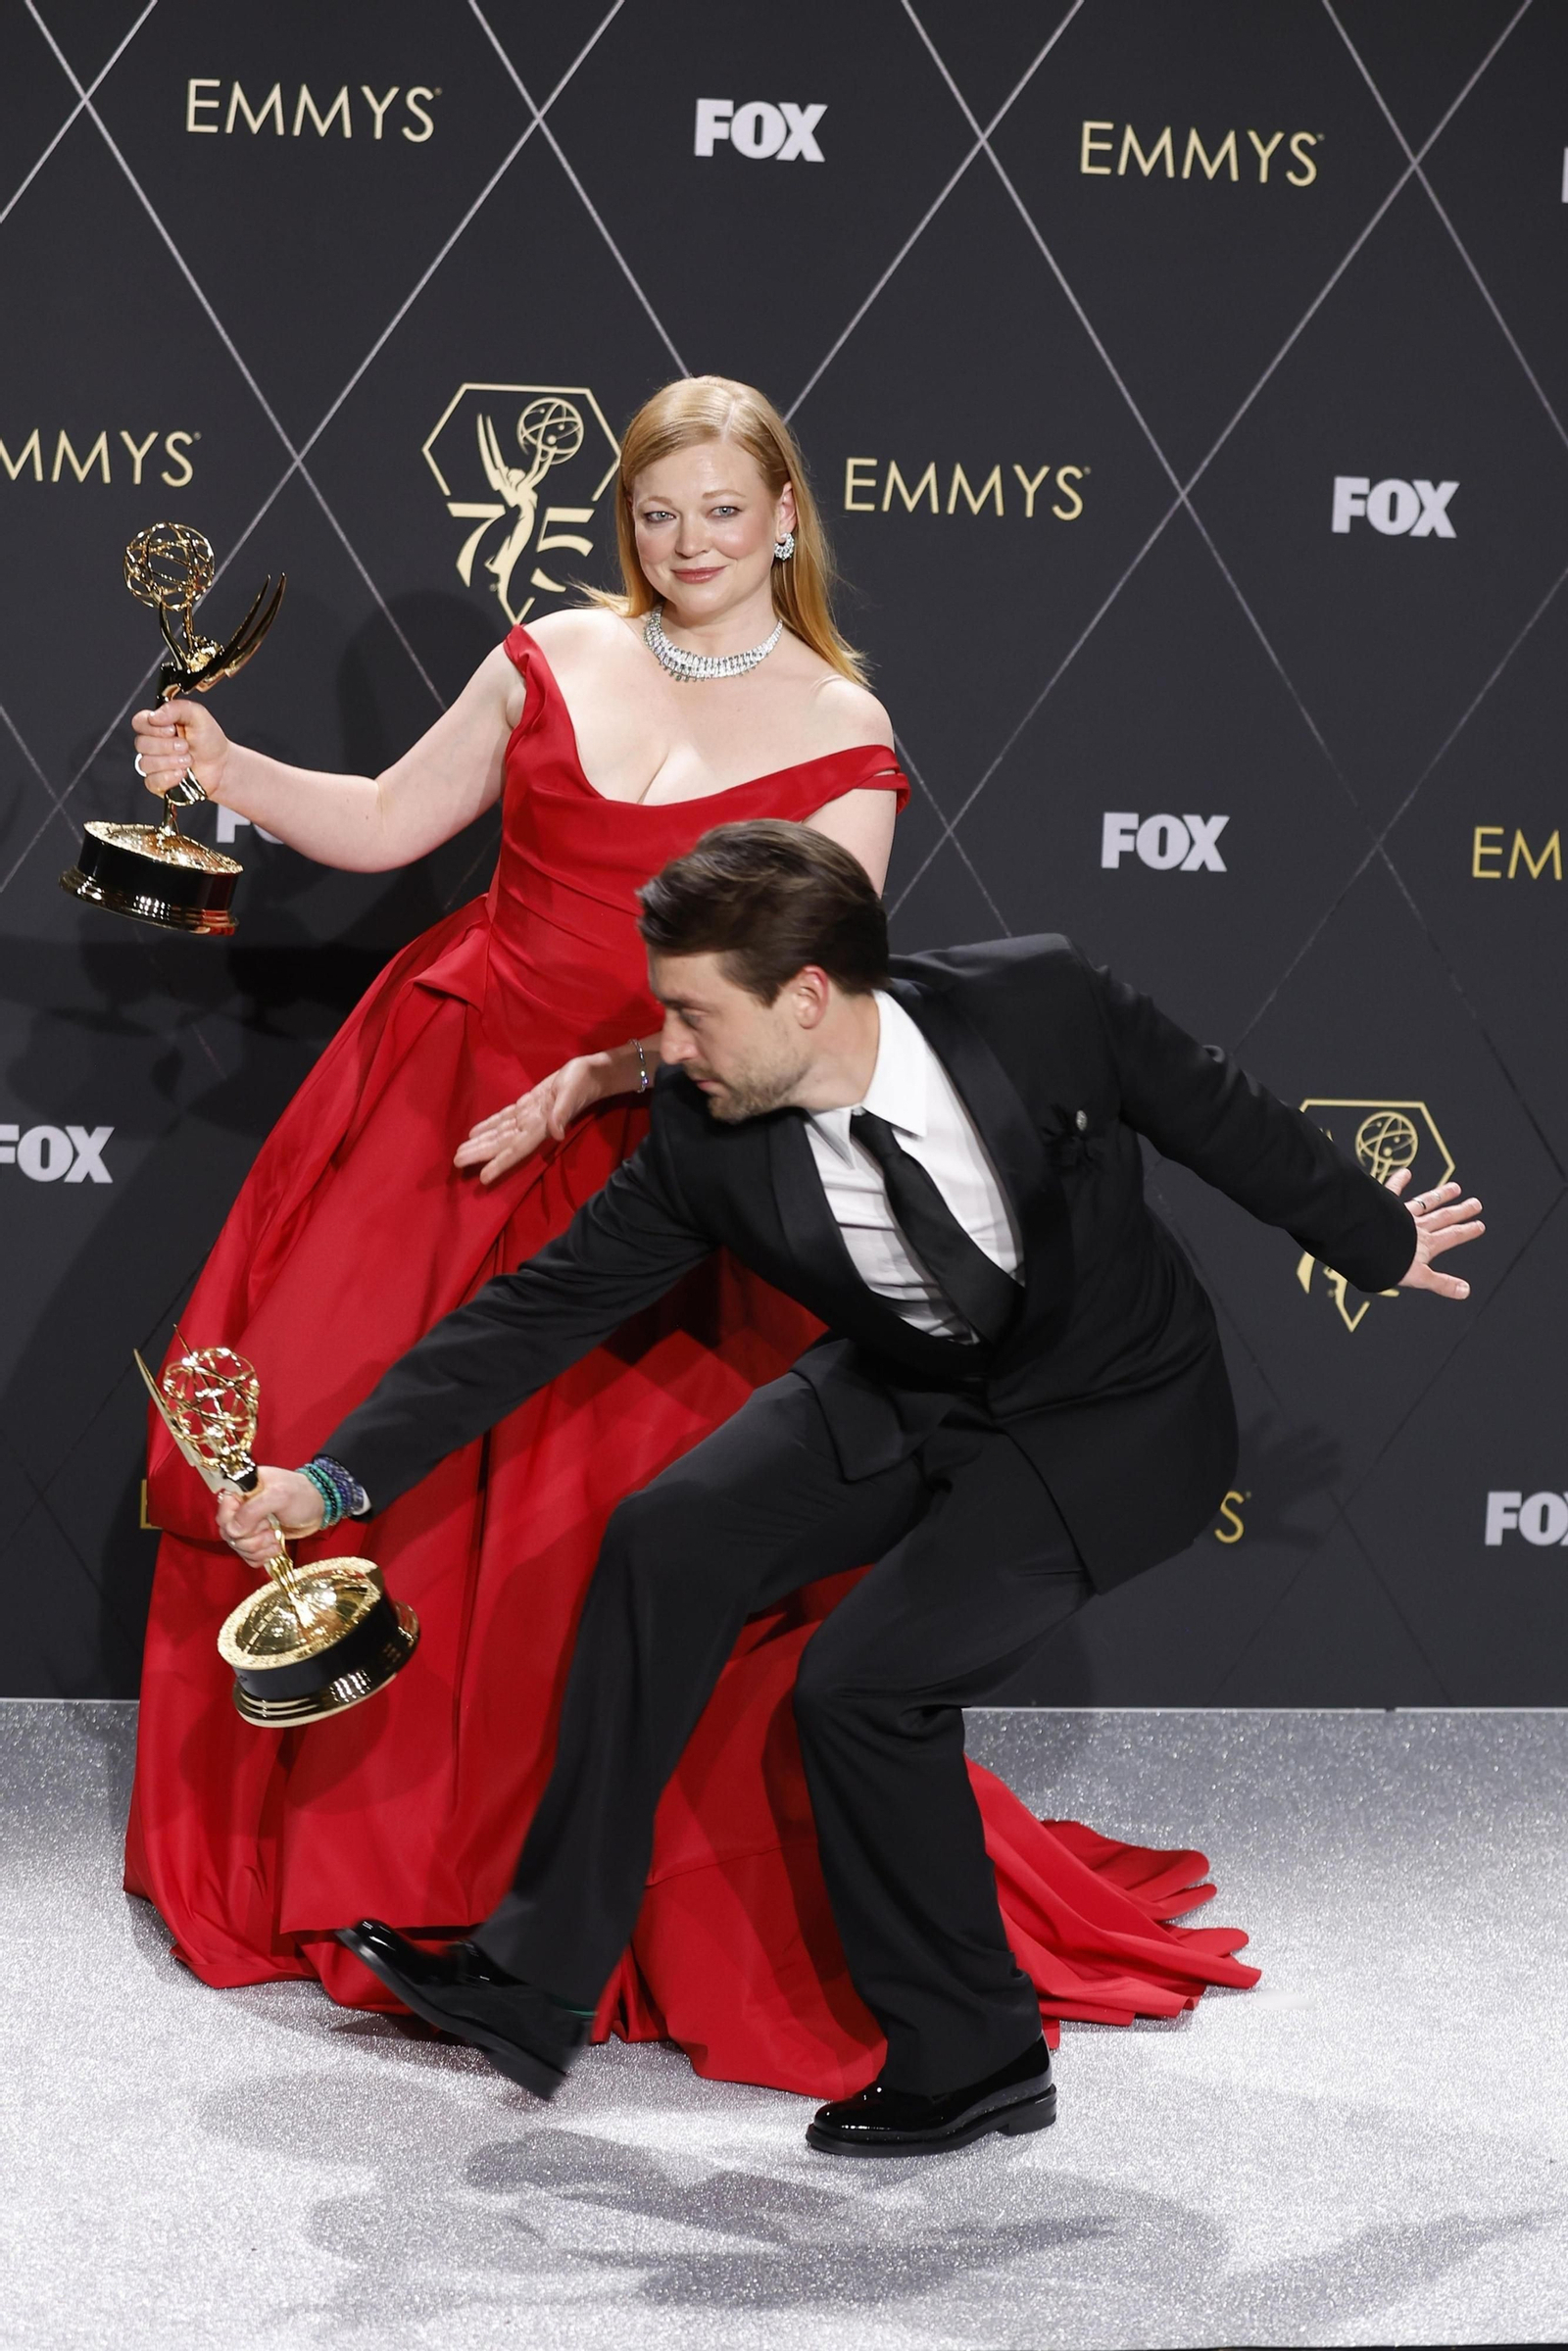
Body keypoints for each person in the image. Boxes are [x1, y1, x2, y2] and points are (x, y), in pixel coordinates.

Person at [124, 374, 1257, 2093]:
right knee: (396, 1485)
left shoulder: (845, 730)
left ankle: (604, 1932)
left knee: (623, 1543)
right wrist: (228, 766)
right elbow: (380, 824)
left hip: (681, 1144)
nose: (691, 545)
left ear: (787, 518)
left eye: (725, 512)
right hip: (452, 1110)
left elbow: (810, 989)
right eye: (660, 514)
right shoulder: (553, 655)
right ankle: (405, 1888)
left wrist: (601, 1075)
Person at [218, 821, 1485, 2155]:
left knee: (866, 1686)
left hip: (1111, 1419)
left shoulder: (1037, 1002)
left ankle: (976, 2054)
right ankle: (540, 1971)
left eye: (696, 1015)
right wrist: (336, 1477)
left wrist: (1374, 1235)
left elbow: (1214, 1111)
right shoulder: (704, 1129)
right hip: (907, 1379)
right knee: (668, 1537)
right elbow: (540, 1310)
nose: (672, 1046)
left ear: (808, 994)